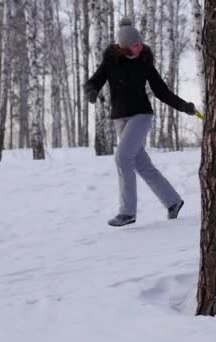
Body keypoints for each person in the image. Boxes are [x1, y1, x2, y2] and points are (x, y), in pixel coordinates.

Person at [84, 18, 196, 227]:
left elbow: (161, 91)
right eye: (135, 45)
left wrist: (184, 106)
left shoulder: (145, 62)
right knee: (142, 164)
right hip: (119, 118)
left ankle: (127, 212)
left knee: (122, 158)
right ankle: (173, 201)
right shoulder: (111, 61)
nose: (140, 47)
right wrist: (91, 91)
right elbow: (94, 80)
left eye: (140, 43)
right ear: (123, 47)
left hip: (141, 116)